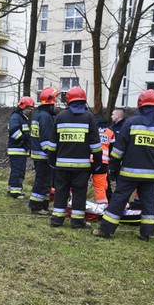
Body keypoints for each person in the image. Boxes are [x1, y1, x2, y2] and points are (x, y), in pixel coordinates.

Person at [93, 90, 154, 241]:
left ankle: (105, 230)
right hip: (151, 175)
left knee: (118, 201)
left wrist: (113, 168)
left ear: (140, 104)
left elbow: (118, 150)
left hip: (128, 174)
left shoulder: (131, 123)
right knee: (148, 204)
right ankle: (146, 233)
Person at [48, 86, 103, 229]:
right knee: (79, 193)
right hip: (82, 166)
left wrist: (52, 161)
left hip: (61, 165)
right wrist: (97, 162)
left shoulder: (60, 117)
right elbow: (96, 145)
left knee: (61, 191)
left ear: (68, 101)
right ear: (83, 101)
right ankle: (77, 221)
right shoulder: (89, 117)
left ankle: (57, 220)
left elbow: (53, 143)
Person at [28, 87, 58, 213]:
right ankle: (35, 206)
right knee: (42, 180)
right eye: (55, 101)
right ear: (50, 103)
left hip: (38, 153)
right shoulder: (45, 117)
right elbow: (46, 139)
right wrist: (51, 153)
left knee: (46, 181)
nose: (56, 104)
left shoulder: (39, 114)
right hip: (43, 155)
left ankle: (44, 204)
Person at [7, 96, 34, 198]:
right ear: (23, 107)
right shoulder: (16, 117)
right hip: (17, 149)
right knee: (18, 171)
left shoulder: (21, 118)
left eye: (31, 109)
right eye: (29, 109)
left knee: (16, 170)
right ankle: (15, 192)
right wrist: (23, 140)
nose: (30, 111)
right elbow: (14, 132)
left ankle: (12, 188)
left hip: (19, 149)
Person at [91, 114, 115, 205]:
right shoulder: (110, 132)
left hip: (89, 160)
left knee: (80, 185)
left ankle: (75, 204)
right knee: (100, 187)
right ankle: (102, 207)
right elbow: (112, 149)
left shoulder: (91, 130)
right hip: (103, 162)